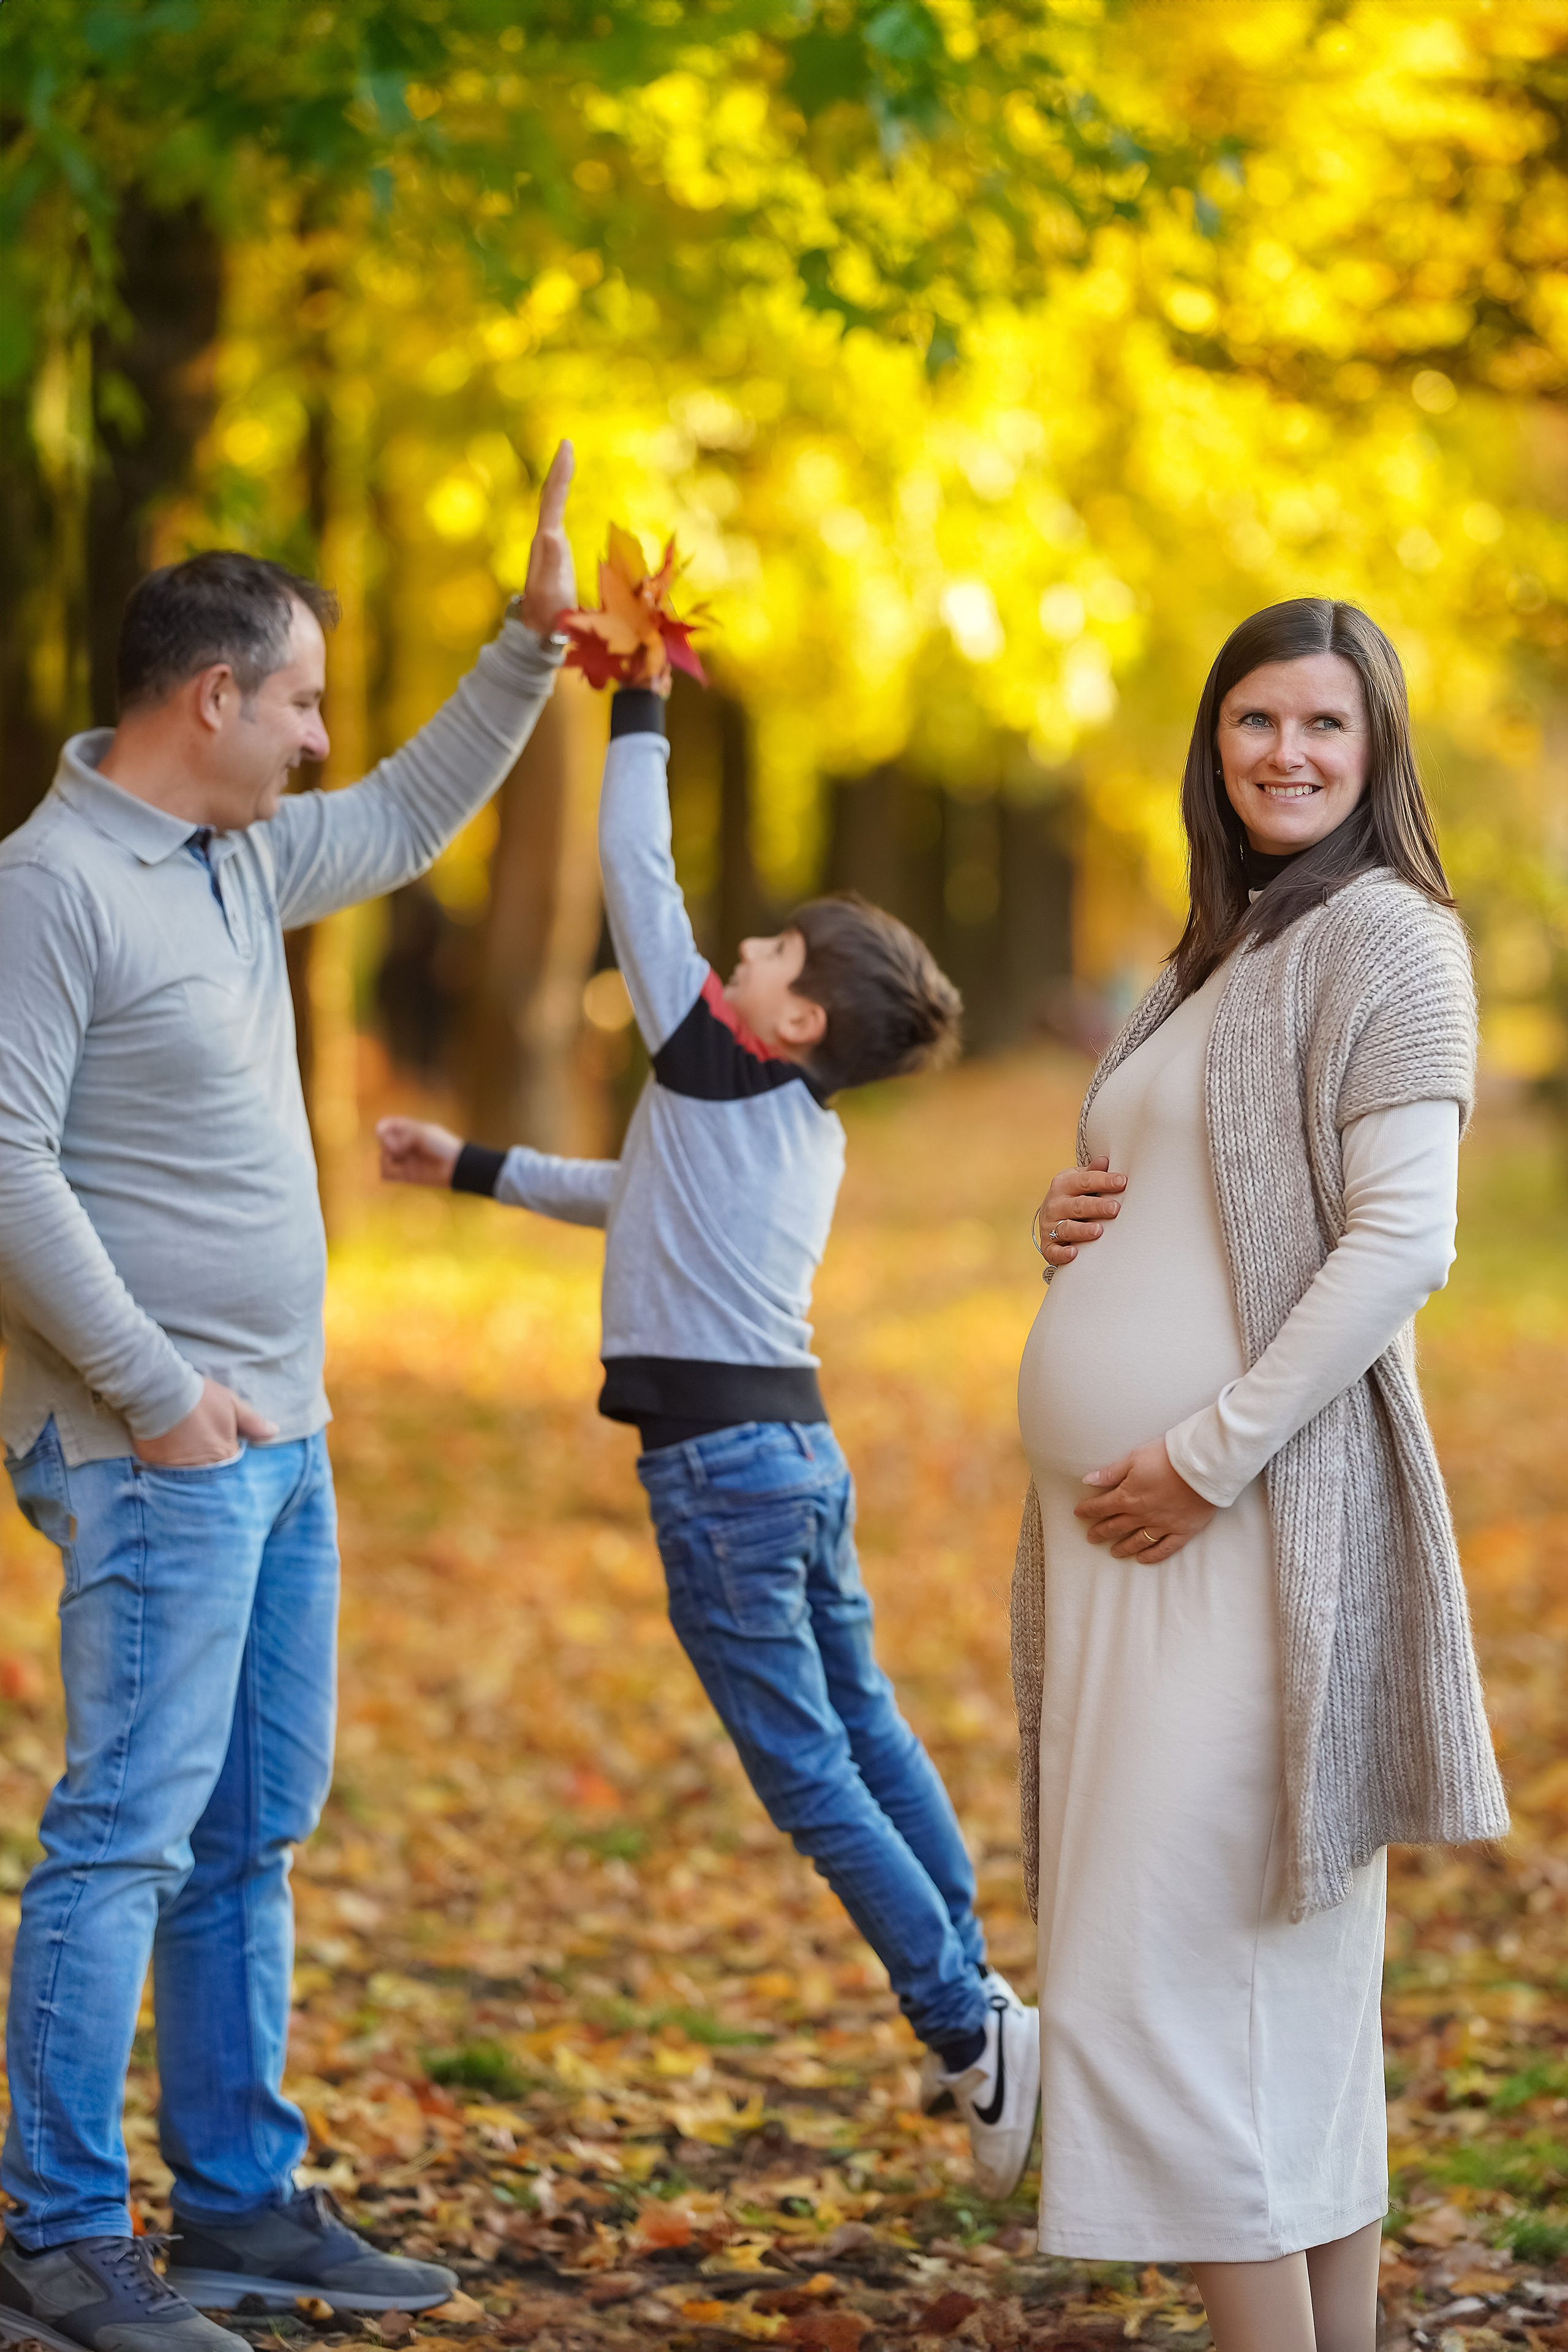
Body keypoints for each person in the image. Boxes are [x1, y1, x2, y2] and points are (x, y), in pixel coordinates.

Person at [0, 448, 579, 2352]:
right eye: (305, 697)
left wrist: (526, 642)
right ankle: (59, 2232)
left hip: (284, 1438)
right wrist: (162, 1400)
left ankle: (239, 2201)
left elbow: (411, 815)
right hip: (161, 1447)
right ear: (211, 700)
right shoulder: (52, 886)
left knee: (252, 1827)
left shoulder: (241, 856)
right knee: (131, 1832)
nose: (326, 733)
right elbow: (6, 1169)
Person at [379, 679, 1042, 2198]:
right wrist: (472, 1167)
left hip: (724, 1479)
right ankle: (986, 2012)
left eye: (766, 952)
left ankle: (964, 2024)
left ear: (790, 1015)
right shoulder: (778, 1120)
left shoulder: (711, 1056)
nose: (731, 949)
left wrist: (637, 701)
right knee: (862, 1728)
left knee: (810, 1769)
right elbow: (637, 1202)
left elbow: (635, 872)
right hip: (797, 1460)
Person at [1010, 597, 1509, 2352]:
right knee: (1269, 1994)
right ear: (1210, 748)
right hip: (1142, 1541)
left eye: (1325, 728)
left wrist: (1208, 1457)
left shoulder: (1387, 940)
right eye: (1254, 725)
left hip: (1240, 1527)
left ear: (1376, 756)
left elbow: (1402, 1247)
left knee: (1164, 1980)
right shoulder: (1215, 950)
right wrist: (1065, 1220)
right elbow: (1182, 1202)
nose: (1287, 754)